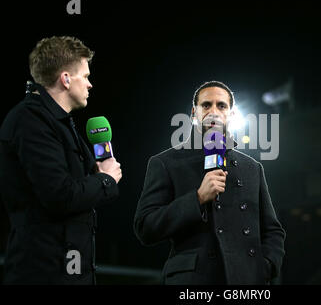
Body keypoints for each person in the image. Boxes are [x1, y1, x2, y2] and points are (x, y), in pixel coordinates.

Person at [134, 81, 285, 284]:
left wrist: (264, 266)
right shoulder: (166, 163)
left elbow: (273, 231)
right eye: (206, 105)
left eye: (221, 105)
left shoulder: (252, 167)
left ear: (231, 115)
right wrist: (197, 199)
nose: (213, 111)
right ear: (193, 113)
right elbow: (145, 227)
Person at [0, 36, 122, 284]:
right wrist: (106, 180)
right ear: (66, 79)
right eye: (85, 76)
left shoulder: (56, 122)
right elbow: (60, 195)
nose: (90, 85)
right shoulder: (30, 121)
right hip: (43, 274)